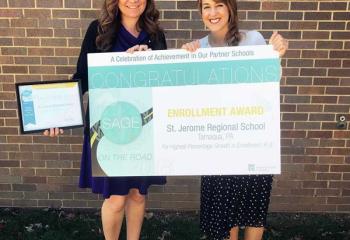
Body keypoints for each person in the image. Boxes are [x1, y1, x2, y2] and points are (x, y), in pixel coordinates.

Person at [44, 0, 167, 239]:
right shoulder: (98, 30)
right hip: (108, 127)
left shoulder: (155, 34)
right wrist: (55, 115)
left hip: (143, 126)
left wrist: (148, 62)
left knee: (138, 194)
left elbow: (163, 82)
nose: (133, 1)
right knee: (116, 197)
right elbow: (83, 77)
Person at [182, 0, 288, 240]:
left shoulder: (253, 40)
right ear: (201, 13)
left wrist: (276, 56)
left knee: (253, 212)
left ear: (230, 8)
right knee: (224, 217)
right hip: (218, 145)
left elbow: (269, 83)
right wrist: (185, 58)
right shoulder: (197, 49)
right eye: (206, 6)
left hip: (252, 141)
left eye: (219, 4)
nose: (213, 12)